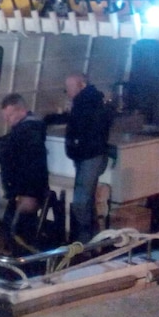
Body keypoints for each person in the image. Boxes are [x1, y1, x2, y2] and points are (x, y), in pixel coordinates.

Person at [46, 74, 112, 243]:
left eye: (69, 88)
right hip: (88, 155)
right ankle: (93, 239)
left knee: (81, 202)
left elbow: (85, 126)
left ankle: (86, 239)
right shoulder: (90, 100)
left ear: (81, 85)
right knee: (86, 201)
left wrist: (77, 142)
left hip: (89, 156)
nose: (67, 92)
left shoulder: (87, 102)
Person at [0, 93, 49, 251]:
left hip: (25, 194)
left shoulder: (28, 134)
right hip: (20, 193)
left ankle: (23, 264)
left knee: (16, 233)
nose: (7, 120)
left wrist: (29, 194)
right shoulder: (25, 131)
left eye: (9, 115)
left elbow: (33, 167)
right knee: (15, 231)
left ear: (20, 110)